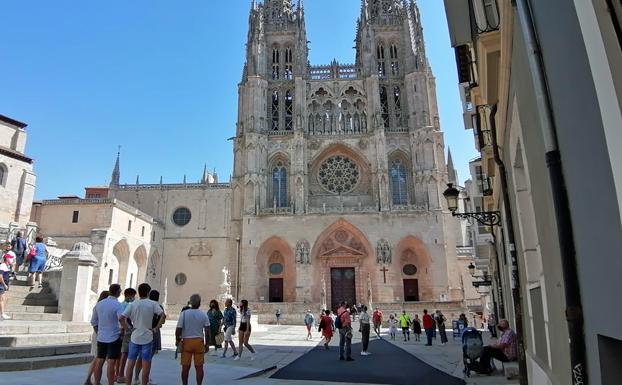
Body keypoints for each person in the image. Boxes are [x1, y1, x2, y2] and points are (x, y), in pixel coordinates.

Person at [121, 283, 165, 385]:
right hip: (147, 336)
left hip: (135, 335)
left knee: (131, 362)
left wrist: (127, 328)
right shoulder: (153, 304)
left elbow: (121, 318)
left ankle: (129, 383)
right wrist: (156, 328)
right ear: (148, 292)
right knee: (146, 363)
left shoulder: (133, 304)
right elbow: (163, 315)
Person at [90, 284, 123, 385]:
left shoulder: (99, 304)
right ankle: (110, 383)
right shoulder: (117, 305)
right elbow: (121, 319)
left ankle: (97, 382)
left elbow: (94, 321)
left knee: (100, 360)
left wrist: (98, 331)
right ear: (117, 292)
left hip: (101, 337)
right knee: (111, 362)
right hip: (113, 336)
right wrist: (123, 331)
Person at [176, 294, 210, 385]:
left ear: (190, 302)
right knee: (199, 367)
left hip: (186, 342)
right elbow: (207, 331)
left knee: (185, 367)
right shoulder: (203, 315)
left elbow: (178, 329)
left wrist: (177, 340)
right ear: (199, 303)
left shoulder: (184, 314)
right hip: (199, 342)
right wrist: (207, 344)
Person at [84, 290, 110, 385]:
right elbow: (94, 322)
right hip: (99, 334)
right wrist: (99, 333)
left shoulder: (99, 307)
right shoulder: (98, 307)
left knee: (98, 358)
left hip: (100, 333)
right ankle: (90, 379)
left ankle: (93, 380)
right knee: (98, 358)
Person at [116, 288, 136, 384]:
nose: (134, 298)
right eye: (133, 296)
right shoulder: (127, 305)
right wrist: (127, 329)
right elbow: (125, 319)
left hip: (120, 330)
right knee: (125, 353)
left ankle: (117, 373)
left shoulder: (120, 304)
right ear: (128, 295)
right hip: (126, 331)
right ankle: (121, 374)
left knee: (120, 354)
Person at [0, 256, 10, 320]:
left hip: (2, 285)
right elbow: (0, 276)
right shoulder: (3, 265)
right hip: (1, 285)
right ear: (7, 259)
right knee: (2, 300)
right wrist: (4, 284)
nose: (12, 260)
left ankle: (2, 313)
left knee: (2, 300)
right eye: (10, 258)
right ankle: (2, 314)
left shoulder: (5, 266)